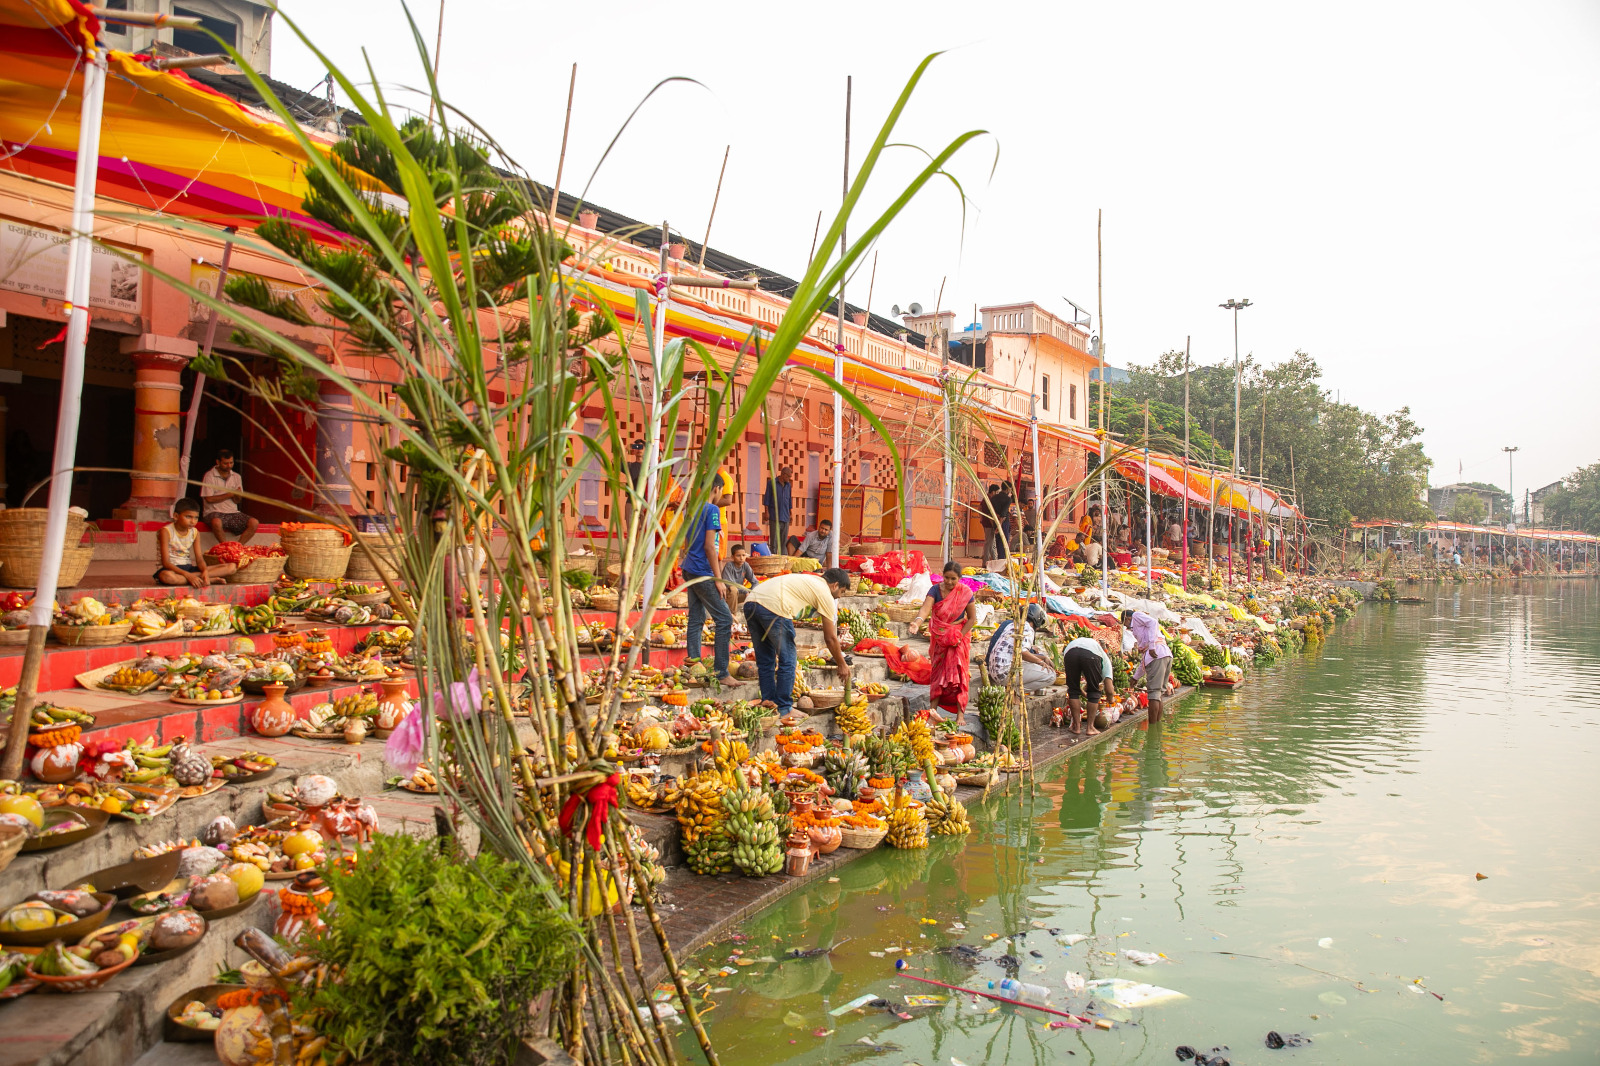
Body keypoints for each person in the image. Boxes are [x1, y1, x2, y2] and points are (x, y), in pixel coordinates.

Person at [742, 568, 852, 716]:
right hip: (774, 606)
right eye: (842, 591)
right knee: (788, 660)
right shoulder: (825, 593)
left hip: (751, 602)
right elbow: (830, 638)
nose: (839, 596)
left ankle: (768, 702)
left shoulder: (811, 580)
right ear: (835, 585)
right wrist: (842, 664)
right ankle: (784, 707)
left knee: (765, 660)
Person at [681, 483, 734, 683]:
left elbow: (687, 542)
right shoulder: (712, 510)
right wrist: (718, 579)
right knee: (725, 619)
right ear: (717, 488)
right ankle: (722, 672)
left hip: (689, 568)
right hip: (702, 571)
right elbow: (710, 547)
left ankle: (694, 666)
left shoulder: (691, 508)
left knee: (696, 617)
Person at [914, 561, 977, 719]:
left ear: (959, 579)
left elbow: (972, 619)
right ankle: (932, 712)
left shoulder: (965, 592)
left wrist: (959, 636)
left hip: (958, 639)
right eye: (947, 578)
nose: (949, 582)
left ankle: (960, 715)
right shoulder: (935, 590)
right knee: (937, 674)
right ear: (942, 576)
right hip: (939, 637)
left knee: (959, 675)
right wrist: (917, 622)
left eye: (953, 579)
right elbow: (925, 608)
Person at [156, 498, 236, 586]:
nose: (193, 521)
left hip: (188, 567)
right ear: (176, 516)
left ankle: (198, 578)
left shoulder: (195, 532)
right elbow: (166, 562)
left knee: (231, 567)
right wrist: (188, 575)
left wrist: (205, 571)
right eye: (188, 517)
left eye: (196, 518)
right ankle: (202, 579)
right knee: (167, 577)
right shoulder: (166, 531)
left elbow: (199, 559)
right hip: (171, 570)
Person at [1120, 608, 1174, 724]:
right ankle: (1157, 726)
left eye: (1126, 624)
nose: (1129, 628)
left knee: (1154, 694)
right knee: (1158, 694)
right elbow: (1145, 661)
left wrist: (1152, 645)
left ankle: (1153, 726)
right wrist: (1135, 677)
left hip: (1158, 654)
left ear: (1128, 619)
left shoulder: (1136, 616)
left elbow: (1153, 622)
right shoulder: (1146, 646)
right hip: (1164, 655)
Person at [987, 603, 1055, 693]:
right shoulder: (1027, 628)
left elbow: (1018, 651)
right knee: (1050, 676)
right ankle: (1015, 692)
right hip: (1004, 673)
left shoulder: (1012, 625)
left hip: (994, 672)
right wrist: (1040, 662)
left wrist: (1043, 657)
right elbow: (1022, 653)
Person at [1061, 632, 1117, 736]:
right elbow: (1109, 690)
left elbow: (1076, 686)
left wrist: (1082, 693)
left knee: (1073, 691)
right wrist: (1111, 700)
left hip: (1070, 652)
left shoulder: (1083, 645)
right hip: (1090, 654)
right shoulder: (1106, 662)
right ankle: (1090, 728)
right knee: (1094, 691)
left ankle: (1076, 727)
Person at [200, 450, 258, 544]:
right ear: (218, 462)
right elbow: (209, 499)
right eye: (225, 463)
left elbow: (237, 501)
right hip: (213, 512)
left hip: (232, 512)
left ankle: (238, 547)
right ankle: (225, 547)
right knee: (216, 522)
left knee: (254, 522)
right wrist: (230, 494)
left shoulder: (236, 477)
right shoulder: (209, 476)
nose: (229, 466)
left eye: (231, 463)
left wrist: (237, 495)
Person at [762, 465, 793, 557]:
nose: (789, 479)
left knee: (784, 541)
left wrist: (791, 513)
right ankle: (773, 558)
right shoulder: (772, 483)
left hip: (785, 517)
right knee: (774, 541)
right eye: (788, 476)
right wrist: (766, 512)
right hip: (775, 516)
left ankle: (783, 559)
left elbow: (789, 500)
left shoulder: (788, 486)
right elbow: (767, 499)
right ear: (783, 475)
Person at [721, 542, 757, 614]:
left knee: (757, 589)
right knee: (733, 589)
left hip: (740, 593)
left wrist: (751, 592)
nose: (741, 558)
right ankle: (732, 616)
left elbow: (755, 581)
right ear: (732, 557)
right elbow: (730, 584)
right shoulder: (729, 566)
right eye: (738, 556)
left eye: (743, 555)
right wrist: (745, 591)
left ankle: (754, 616)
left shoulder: (745, 565)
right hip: (727, 595)